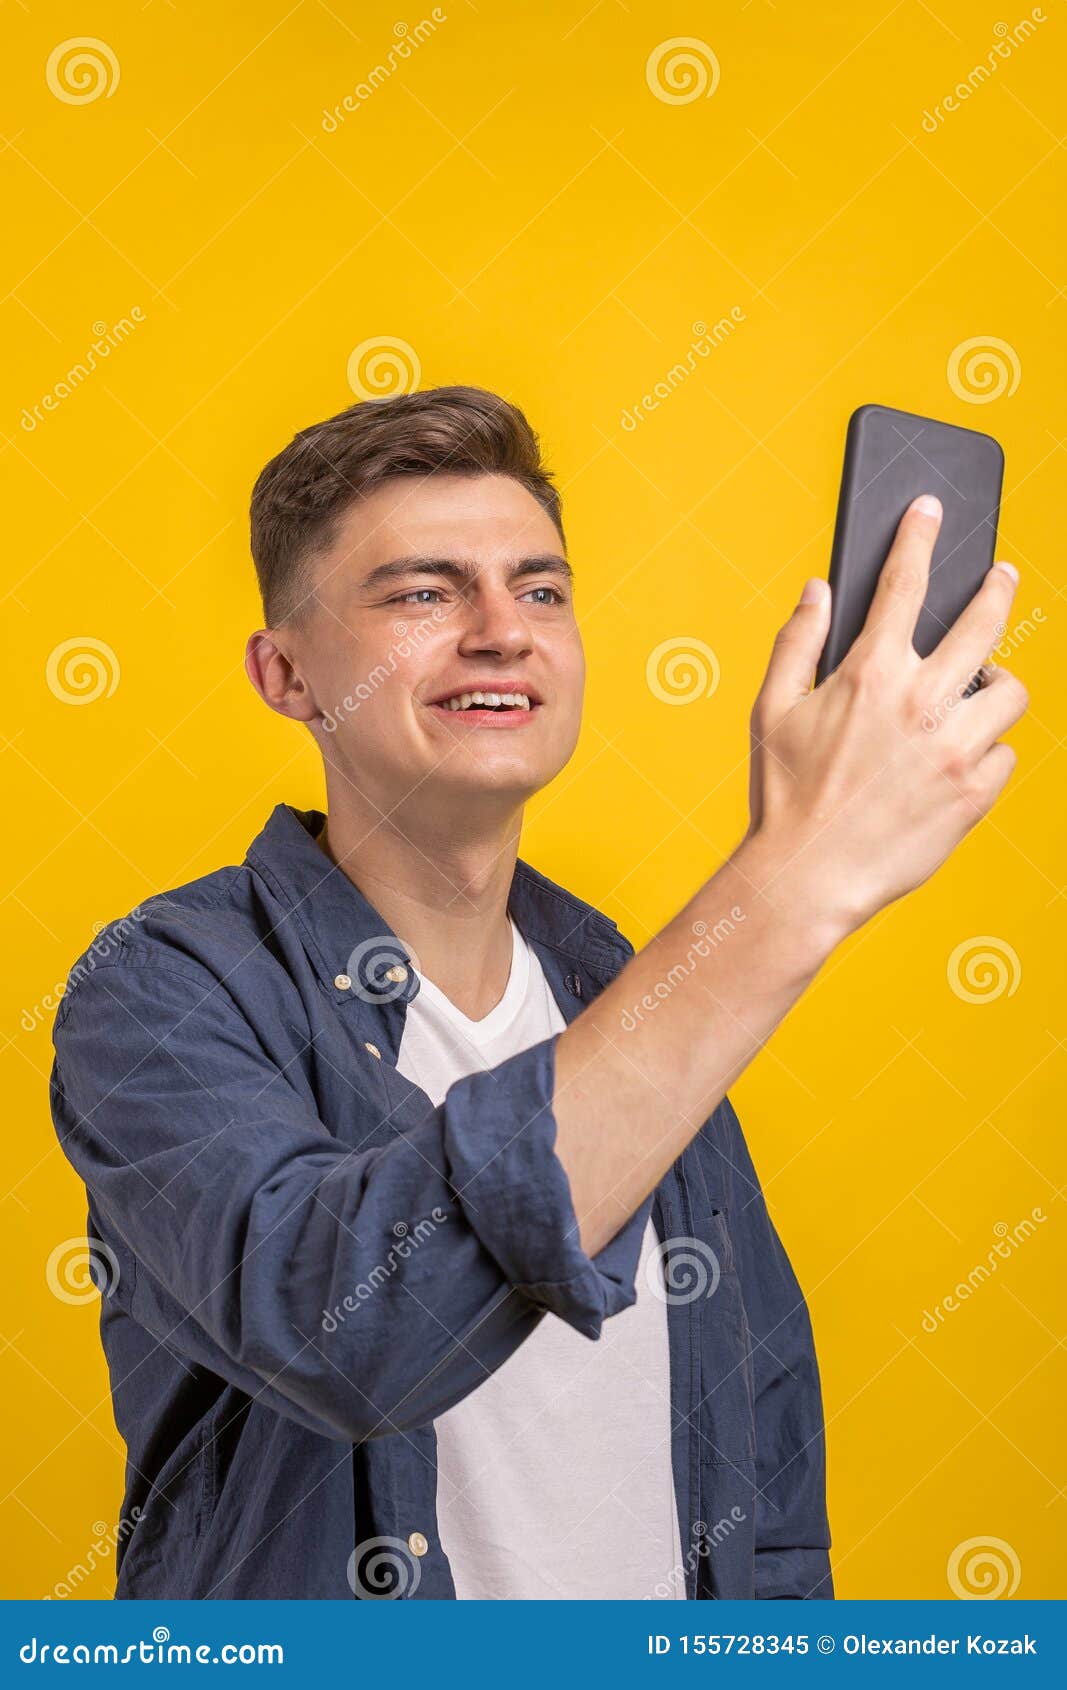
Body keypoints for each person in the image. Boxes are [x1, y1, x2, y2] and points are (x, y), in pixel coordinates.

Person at [49, 386, 1027, 1601]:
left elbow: (765, 1482)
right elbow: (352, 1333)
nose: (502, 629)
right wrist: (792, 880)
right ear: (286, 673)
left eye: (541, 588)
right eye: (423, 590)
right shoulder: (162, 987)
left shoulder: (619, 988)